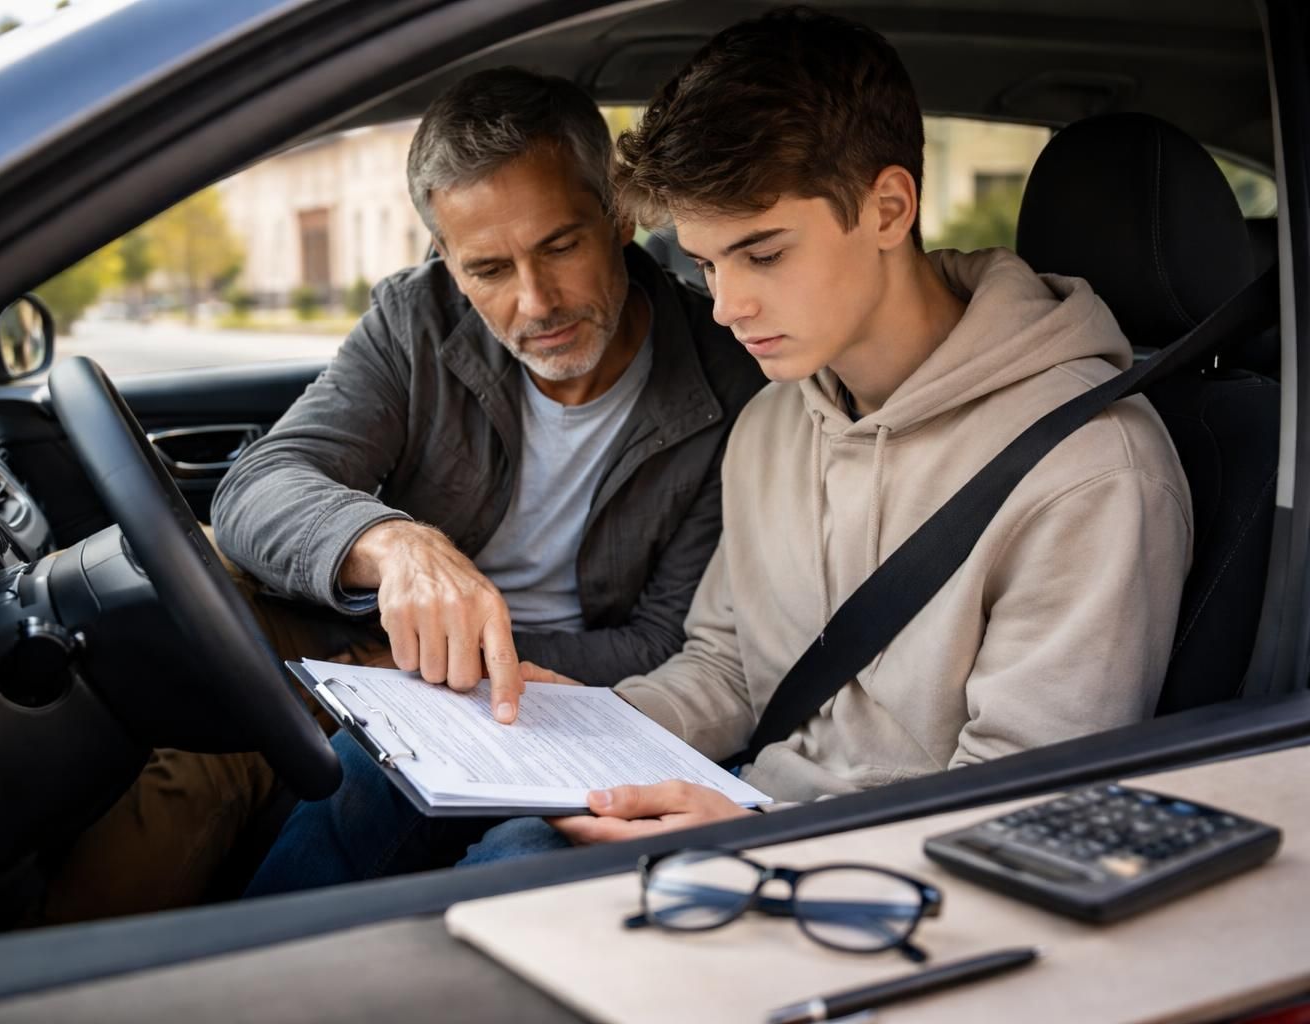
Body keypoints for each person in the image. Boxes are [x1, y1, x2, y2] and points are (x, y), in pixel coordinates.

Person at [245, 5, 1191, 894]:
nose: (727, 306)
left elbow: (1023, 812)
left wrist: (754, 826)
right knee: (391, 770)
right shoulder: (779, 416)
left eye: (764, 253)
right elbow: (730, 665)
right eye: (704, 263)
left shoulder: (1092, 469)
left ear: (890, 209)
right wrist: (576, 726)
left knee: (518, 861)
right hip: (749, 801)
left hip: (874, 876)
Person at [37, 65, 765, 922]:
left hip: (564, 698)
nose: (535, 301)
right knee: (191, 641)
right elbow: (259, 486)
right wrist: (396, 544)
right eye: (489, 268)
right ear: (447, 263)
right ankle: (56, 978)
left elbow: (668, 643)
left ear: (618, 212)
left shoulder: (729, 378)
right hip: (378, 653)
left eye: (560, 246)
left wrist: (444, 673)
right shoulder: (417, 322)